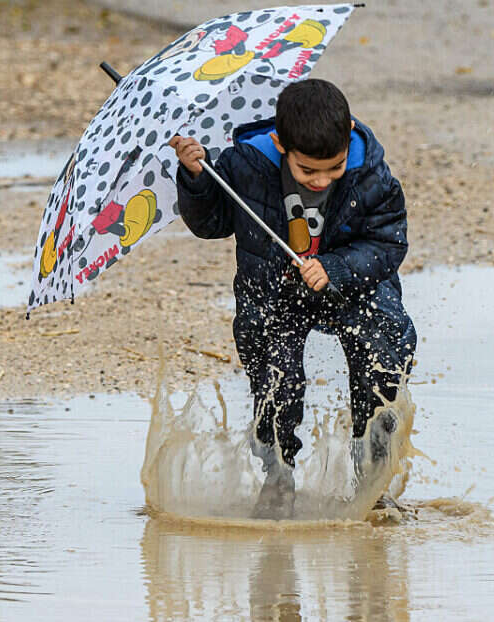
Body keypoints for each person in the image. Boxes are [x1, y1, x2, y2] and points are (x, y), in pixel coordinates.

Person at [170, 79, 416, 517]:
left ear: (349, 136)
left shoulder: (370, 174)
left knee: (383, 346)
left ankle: (374, 481)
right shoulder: (244, 165)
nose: (321, 180)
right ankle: (277, 475)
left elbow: (389, 242)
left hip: (352, 284)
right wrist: (195, 178)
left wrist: (337, 268)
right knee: (274, 377)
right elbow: (210, 223)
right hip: (274, 288)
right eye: (307, 172)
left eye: (333, 168)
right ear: (281, 144)